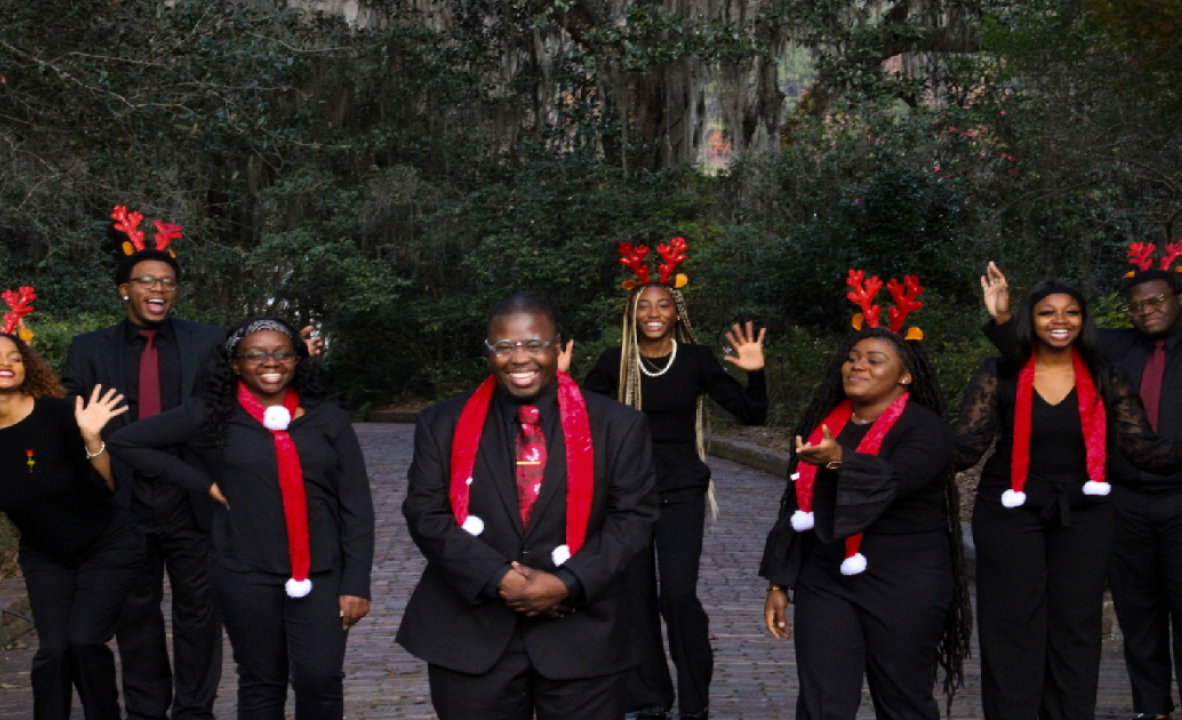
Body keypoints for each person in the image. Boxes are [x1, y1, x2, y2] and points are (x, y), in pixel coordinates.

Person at [952, 277, 1182, 720]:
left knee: (1077, 626)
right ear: (1030, 319)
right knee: (1014, 623)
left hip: (1086, 512)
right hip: (1011, 510)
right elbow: (966, 445)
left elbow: (1141, 447)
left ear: (1084, 319)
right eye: (1046, 312)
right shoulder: (999, 372)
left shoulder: (1105, 371)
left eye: (1071, 312)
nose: (1060, 320)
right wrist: (899, 446)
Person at [61, 206, 321, 720]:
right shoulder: (88, 349)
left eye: (169, 282)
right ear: (125, 290)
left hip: (197, 493)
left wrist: (297, 358)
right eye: (147, 280)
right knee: (135, 613)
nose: (159, 288)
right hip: (124, 495)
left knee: (200, 613)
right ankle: (146, 709)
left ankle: (195, 710)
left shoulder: (209, 341)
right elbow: (69, 412)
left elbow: (254, 376)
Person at [397, 294, 659, 720]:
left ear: (559, 346)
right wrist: (498, 577)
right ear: (489, 351)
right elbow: (425, 513)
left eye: (534, 344)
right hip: (471, 636)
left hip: (584, 636)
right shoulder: (441, 422)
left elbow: (634, 518)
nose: (520, 358)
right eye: (504, 346)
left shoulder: (618, 425)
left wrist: (568, 583)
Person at [109, 317, 373, 720]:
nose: (271, 362)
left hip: (321, 572)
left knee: (319, 679)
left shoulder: (329, 419)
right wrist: (201, 483)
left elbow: (356, 503)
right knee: (261, 683)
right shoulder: (209, 414)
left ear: (297, 360)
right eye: (256, 354)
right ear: (234, 364)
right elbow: (126, 442)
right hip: (243, 571)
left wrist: (356, 582)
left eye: (283, 353)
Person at [759, 271, 971, 720]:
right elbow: (797, 503)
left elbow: (894, 481)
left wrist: (840, 460)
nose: (857, 366)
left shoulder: (926, 429)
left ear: (906, 376)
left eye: (874, 361)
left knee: (903, 703)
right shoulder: (822, 424)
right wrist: (779, 580)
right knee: (823, 703)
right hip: (826, 576)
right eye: (852, 358)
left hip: (905, 578)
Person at [577, 238, 767, 720]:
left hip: (681, 490)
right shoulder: (614, 361)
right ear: (631, 313)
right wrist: (559, 381)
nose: (653, 313)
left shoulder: (696, 359)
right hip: (627, 496)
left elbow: (752, 414)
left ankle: (695, 700)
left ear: (676, 311)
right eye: (644, 306)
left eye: (663, 305)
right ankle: (649, 698)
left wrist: (755, 374)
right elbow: (574, 422)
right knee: (635, 599)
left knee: (677, 595)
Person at [0, 287, 144, 720]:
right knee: (53, 650)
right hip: (45, 554)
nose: (6, 363)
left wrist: (91, 438)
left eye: (15, 357)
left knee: (84, 641)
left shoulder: (59, 414)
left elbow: (105, 485)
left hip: (108, 543)